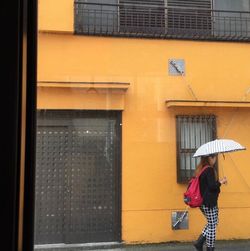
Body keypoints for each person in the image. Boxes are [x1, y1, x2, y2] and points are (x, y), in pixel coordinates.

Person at [193, 154, 227, 251]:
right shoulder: (209, 170)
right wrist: (221, 182)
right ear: (210, 158)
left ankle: (199, 242)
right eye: (215, 157)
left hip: (203, 202)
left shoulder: (201, 169)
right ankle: (210, 248)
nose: (215, 159)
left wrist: (219, 182)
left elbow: (207, 186)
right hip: (209, 202)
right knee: (212, 225)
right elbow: (212, 186)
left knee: (212, 222)